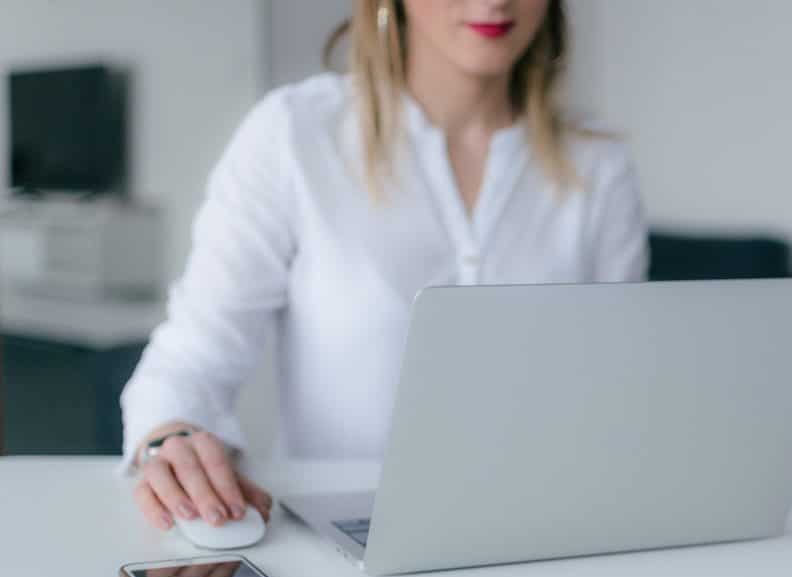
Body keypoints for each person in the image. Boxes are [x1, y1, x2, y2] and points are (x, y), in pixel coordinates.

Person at [120, 0, 649, 531]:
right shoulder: (294, 135)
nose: (495, 1)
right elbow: (191, 361)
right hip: (344, 533)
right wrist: (171, 439)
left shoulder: (599, 165)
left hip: (545, 530)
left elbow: (619, 392)